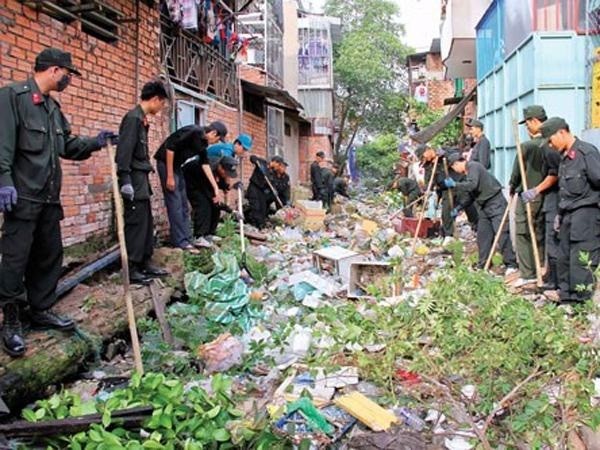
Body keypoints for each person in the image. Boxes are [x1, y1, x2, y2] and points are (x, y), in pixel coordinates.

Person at [0, 48, 116, 357]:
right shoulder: (13, 97)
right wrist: (3, 181)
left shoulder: (53, 109)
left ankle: (40, 311)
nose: (68, 80)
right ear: (54, 70)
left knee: (49, 256)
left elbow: (68, 146)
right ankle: (10, 321)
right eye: (68, 74)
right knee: (14, 260)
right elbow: (3, 143)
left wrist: (96, 141)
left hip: (49, 198)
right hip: (22, 196)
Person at [540, 117, 600, 303]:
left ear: (562, 132)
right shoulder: (564, 159)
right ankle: (565, 296)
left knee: (582, 258)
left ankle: (580, 301)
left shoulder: (586, 153)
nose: (550, 145)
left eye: (551, 140)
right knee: (564, 255)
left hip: (586, 215)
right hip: (567, 214)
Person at [116, 81, 170, 285]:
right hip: (133, 179)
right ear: (155, 99)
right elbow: (124, 153)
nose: (161, 108)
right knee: (135, 223)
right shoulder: (132, 119)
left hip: (141, 178)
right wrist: (125, 180)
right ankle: (132, 267)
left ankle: (145, 261)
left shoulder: (142, 119)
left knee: (146, 223)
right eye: (162, 104)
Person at [509, 105, 560, 288]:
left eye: (528, 123)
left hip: (529, 193)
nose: (527, 128)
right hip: (548, 196)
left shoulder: (528, 146)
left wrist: (512, 187)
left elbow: (516, 175)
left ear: (534, 121)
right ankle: (541, 269)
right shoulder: (553, 142)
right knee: (540, 234)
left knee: (523, 233)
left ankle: (528, 272)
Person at [154, 123, 225, 250]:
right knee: (175, 203)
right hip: (166, 164)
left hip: (177, 166)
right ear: (213, 133)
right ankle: (179, 241)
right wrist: (170, 176)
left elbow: (205, 164)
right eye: (218, 139)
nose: (216, 142)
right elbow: (170, 147)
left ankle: (187, 238)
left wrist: (215, 187)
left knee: (184, 205)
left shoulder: (203, 143)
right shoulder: (193, 131)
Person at [445, 153, 517, 272]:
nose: (456, 171)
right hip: (484, 207)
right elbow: (469, 196)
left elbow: (472, 186)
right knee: (483, 236)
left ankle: (511, 264)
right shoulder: (467, 174)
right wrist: (459, 208)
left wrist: (455, 185)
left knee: (502, 234)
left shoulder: (473, 167)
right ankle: (483, 264)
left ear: (456, 164)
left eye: (453, 168)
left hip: (495, 202)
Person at [182, 155, 237, 240]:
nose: (227, 175)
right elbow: (212, 197)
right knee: (203, 204)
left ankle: (210, 233)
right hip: (191, 180)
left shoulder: (218, 168)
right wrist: (231, 211)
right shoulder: (208, 169)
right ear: (220, 167)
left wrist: (230, 186)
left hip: (202, 182)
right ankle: (199, 236)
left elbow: (220, 183)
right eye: (226, 173)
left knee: (215, 206)